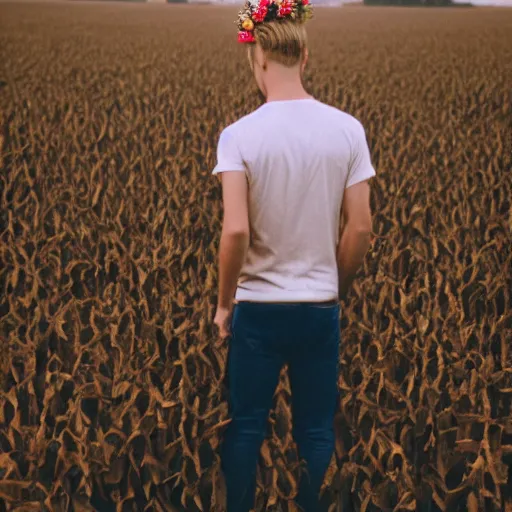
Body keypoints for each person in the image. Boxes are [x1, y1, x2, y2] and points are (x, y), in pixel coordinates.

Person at [212, 1, 376, 510]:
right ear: (304, 56)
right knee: (314, 429)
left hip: (258, 311)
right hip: (318, 308)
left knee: (244, 428)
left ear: (258, 59)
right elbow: (361, 227)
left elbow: (235, 229)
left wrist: (223, 306)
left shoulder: (238, 136)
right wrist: (334, 287)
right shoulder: (347, 129)